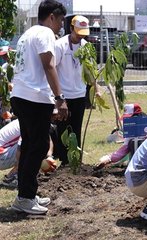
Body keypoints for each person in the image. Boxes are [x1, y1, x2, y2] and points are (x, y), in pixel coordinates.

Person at [9, 0, 67, 215]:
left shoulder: (28, 33)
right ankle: (25, 198)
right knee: (39, 146)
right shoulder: (45, 33)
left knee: (30, 146)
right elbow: (48, 64)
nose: (61, 25)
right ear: (51, 16)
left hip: (21, 95)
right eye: (60, 20)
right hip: (34, 98)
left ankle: (27, 194)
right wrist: (59, 98)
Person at [54, 15, 99, 165]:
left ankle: (76, 161)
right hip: (63, 96)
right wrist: (57, 98)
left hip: (79, 95)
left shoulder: (86, 46)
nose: (80, 35)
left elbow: (90, 70)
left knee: (76, 129)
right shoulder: (60, 45)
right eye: (78, 32)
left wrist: (96, 88)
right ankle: (64, 161)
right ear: (71, 28)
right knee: (63, 129)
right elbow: (52, 69)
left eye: (83, 32)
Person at [95, 103, 147, 170]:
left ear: (136, 116)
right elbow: (123, 150)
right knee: (133, 142)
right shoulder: (131, 131)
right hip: (138, 163)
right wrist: (107, 159)